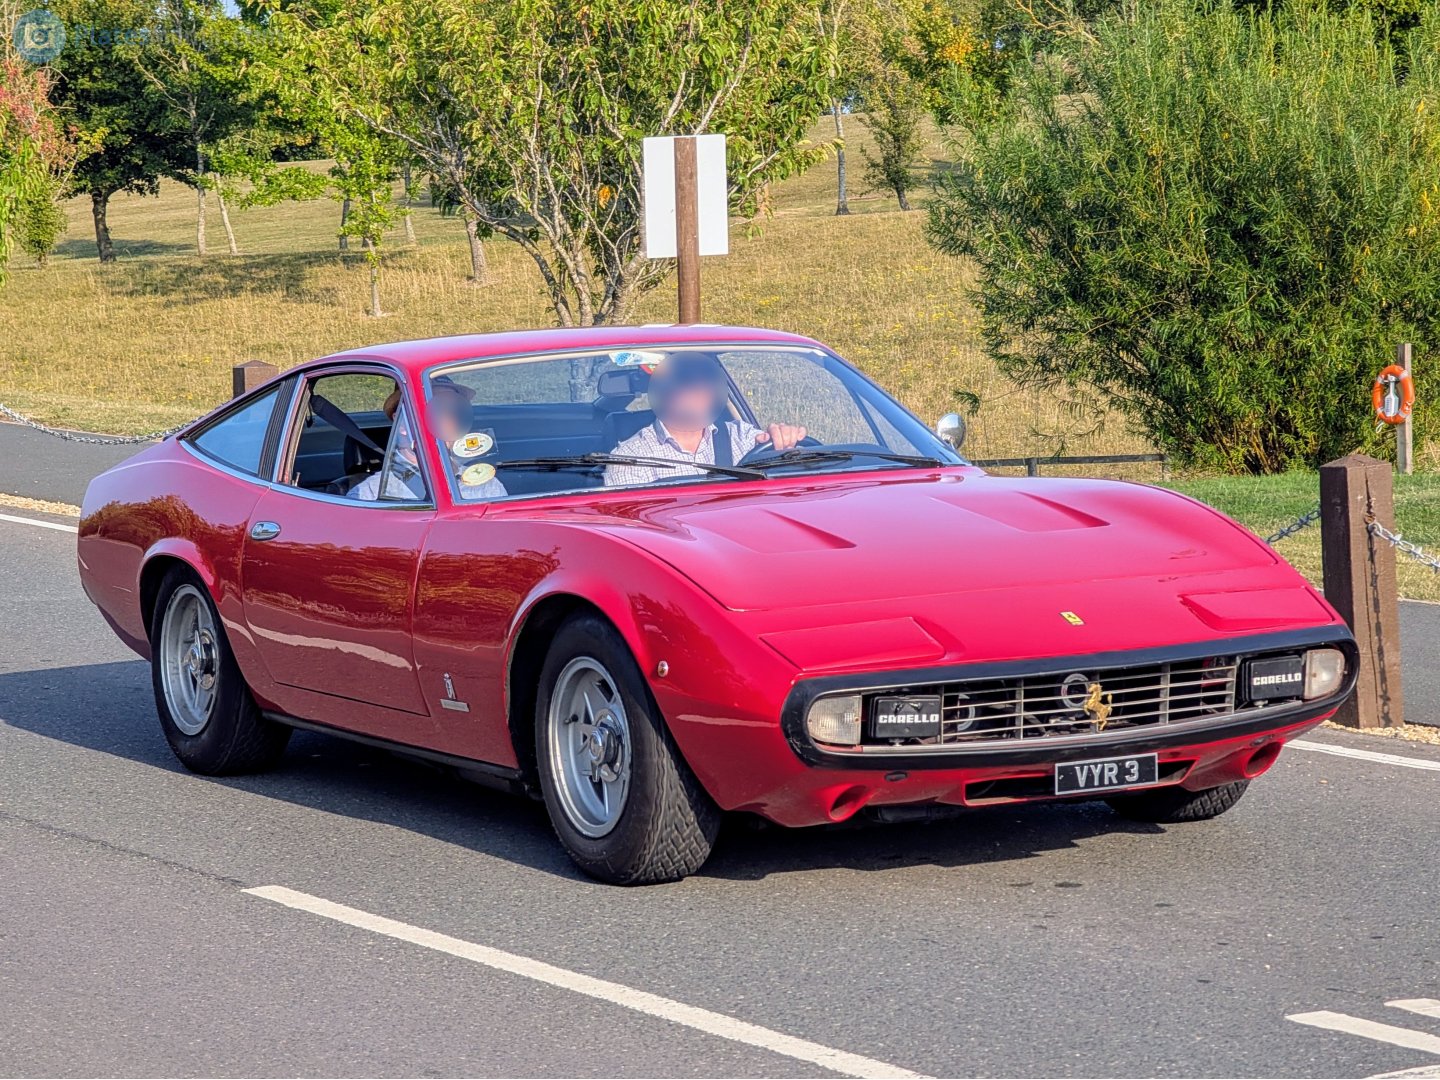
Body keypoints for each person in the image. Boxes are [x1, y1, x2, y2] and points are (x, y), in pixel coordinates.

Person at [603, 354, 807, 487]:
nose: (699, 389)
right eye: (686, 380)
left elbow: (773, 451)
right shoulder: (630, 458)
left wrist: (784, 439)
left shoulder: (740, 435)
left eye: (707, 381)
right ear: (663, 389)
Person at [351, 376, 508, 502]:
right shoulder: (370, 495)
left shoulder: (486, 484)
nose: (451, 420)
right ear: (403, 425)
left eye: (454, 410)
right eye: (437, 409)